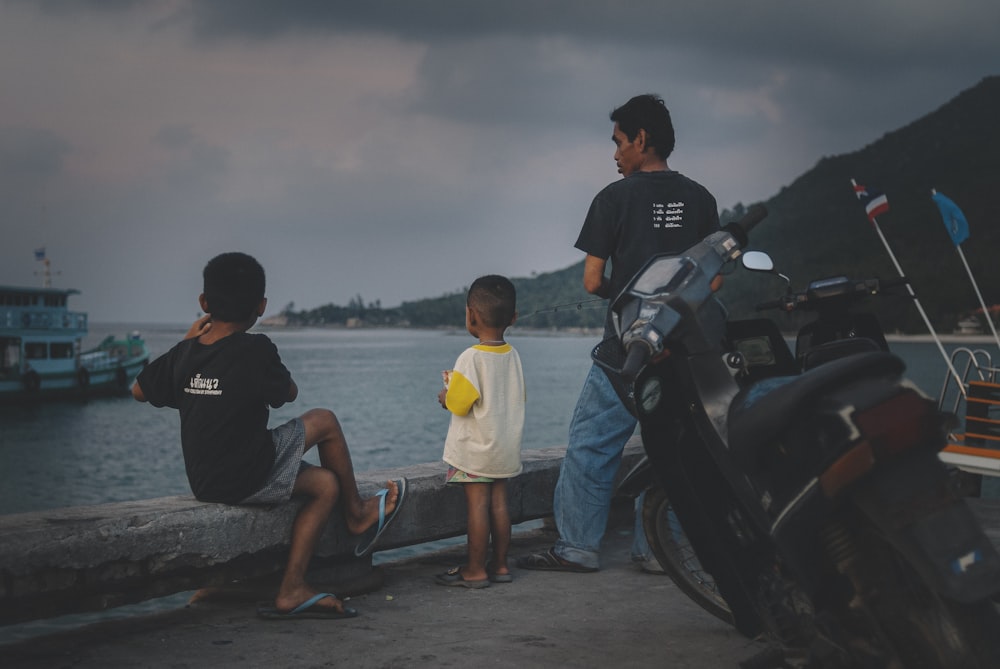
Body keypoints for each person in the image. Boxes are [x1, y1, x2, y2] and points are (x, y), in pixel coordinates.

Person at [132, 252, 406, 619]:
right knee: (324, 420)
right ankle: (356, 513)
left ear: (204, 304)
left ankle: (292, 588)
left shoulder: (185, 353)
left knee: (325, 485)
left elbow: (139, 390)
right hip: (249, 472)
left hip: (207, 481)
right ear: (261, 306)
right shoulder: (256, 349)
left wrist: (186, 343)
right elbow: (289, 394)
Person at [518, 94, 720, 572]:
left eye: (618, 142)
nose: (614, 154)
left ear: (640, 140)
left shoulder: (613, 198)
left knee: (592, 444)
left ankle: (577, 548)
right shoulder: (701, 198)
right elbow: (712, 279)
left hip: (624, 350)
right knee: (673, 443)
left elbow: (592, 281)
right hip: (684, 350)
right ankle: (657, 552)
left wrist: (626, 295)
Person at [434, 275, 525, 588]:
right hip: (503, 448)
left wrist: (445, 395)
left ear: (470, 315)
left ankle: (474, 570)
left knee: (477, 507)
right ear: (512, 318)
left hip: (475, 451)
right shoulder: (513, 356)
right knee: (499, 506)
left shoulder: (470, 357)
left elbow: (459, 405)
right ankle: (499, 566)